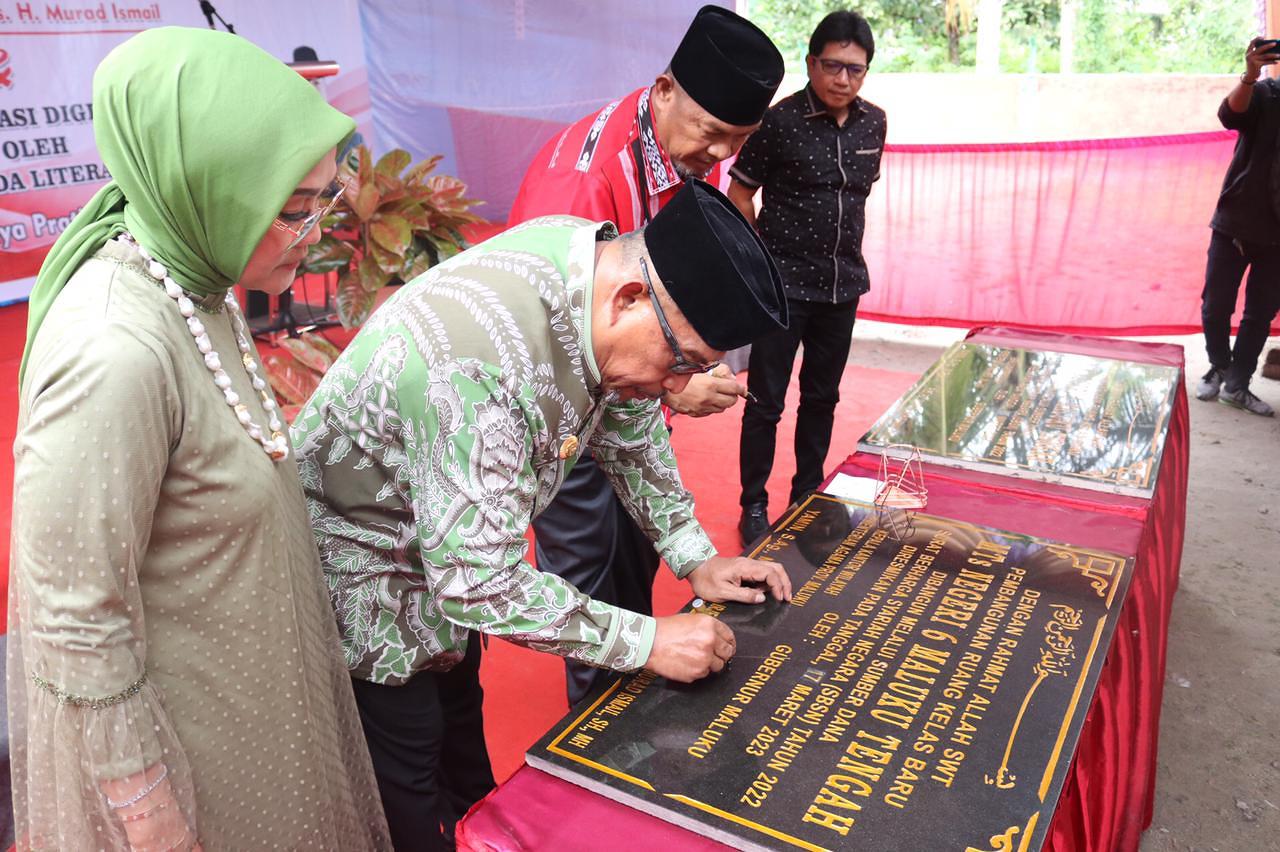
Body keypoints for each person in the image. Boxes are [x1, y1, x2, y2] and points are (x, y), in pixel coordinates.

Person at [292, 180, 794, 850]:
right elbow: (480, 582)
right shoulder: (474, 367)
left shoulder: (593, 267)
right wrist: (647, 643)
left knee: (463, 749)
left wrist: (693, 553)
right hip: (365, 583)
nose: (678, 388)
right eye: (682, 363)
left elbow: (628, 420)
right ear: (630, 300)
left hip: (442, 558)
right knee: (407, 783)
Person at [8, 28, 390, 851]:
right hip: (194, 774)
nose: (319, 229)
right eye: (295, 207)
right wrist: (154, 823)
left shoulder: (197, 279)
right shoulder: (113, 349)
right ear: (211, 185)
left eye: (326, 198)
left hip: (254, 723)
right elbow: (79, 625)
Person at [508, 4, 785, 703]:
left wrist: (683, 370)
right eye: (713, 134)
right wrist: (673, 385)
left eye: (738, 142)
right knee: (588, 583)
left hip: (631, 404)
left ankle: (628, 713)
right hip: (562, 412)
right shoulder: (582, 184)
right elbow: (554, 344)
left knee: (635, 565)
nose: (721, 157)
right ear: (664, 90)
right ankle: (594, 751)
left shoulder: (689, 151)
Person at [729, 11, 887, 543]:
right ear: (811, 63)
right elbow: (740, 192)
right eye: (833, 66)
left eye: (856, 70)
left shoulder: (874, 123)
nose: (843, 80)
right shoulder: (780, 121)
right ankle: (753, 504)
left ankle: (807, 495)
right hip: (784, 288)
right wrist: (758, 259)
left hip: (843, 288)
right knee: (766, 402)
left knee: (823, 397)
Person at [1194, 36, 1280, 417]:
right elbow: (1231, 116)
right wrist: (1249, 75)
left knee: (1259, 314)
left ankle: (1237, 385)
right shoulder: (1268, 94)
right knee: (1215, 307)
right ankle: (1219, 365)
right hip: (1235, 221)